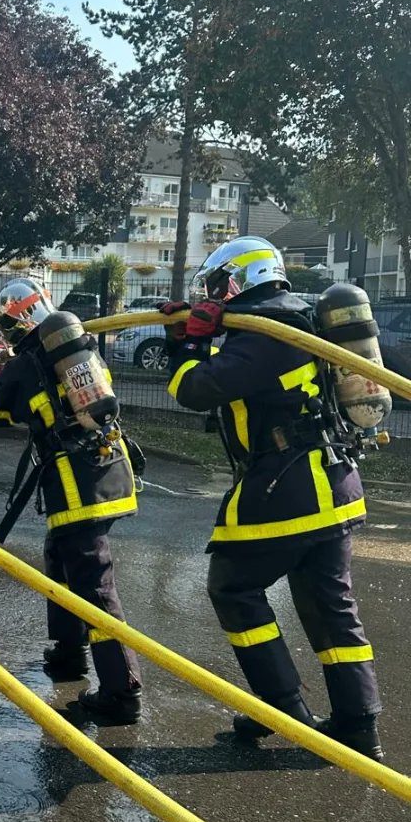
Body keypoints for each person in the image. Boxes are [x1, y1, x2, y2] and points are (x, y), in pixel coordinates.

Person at [162, 237, 383, 759]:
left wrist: (189, 344)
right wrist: (192, 332)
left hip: (288, 488)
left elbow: (195, 390)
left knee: (233, 587)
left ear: (239, 280)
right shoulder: (296, 318)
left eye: (217, 287)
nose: (212, 296)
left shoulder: (264, 334)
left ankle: (282, 709)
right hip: (332, 482)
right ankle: (358, 725)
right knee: (330, 604)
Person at [0, 278, 143, 724]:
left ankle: (122, 692)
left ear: (15, 321)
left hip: (75, 486)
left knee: (94, 589)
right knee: (60, 558)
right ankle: (69, 653)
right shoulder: (76, 349)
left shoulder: (26, 365)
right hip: (110, 471)